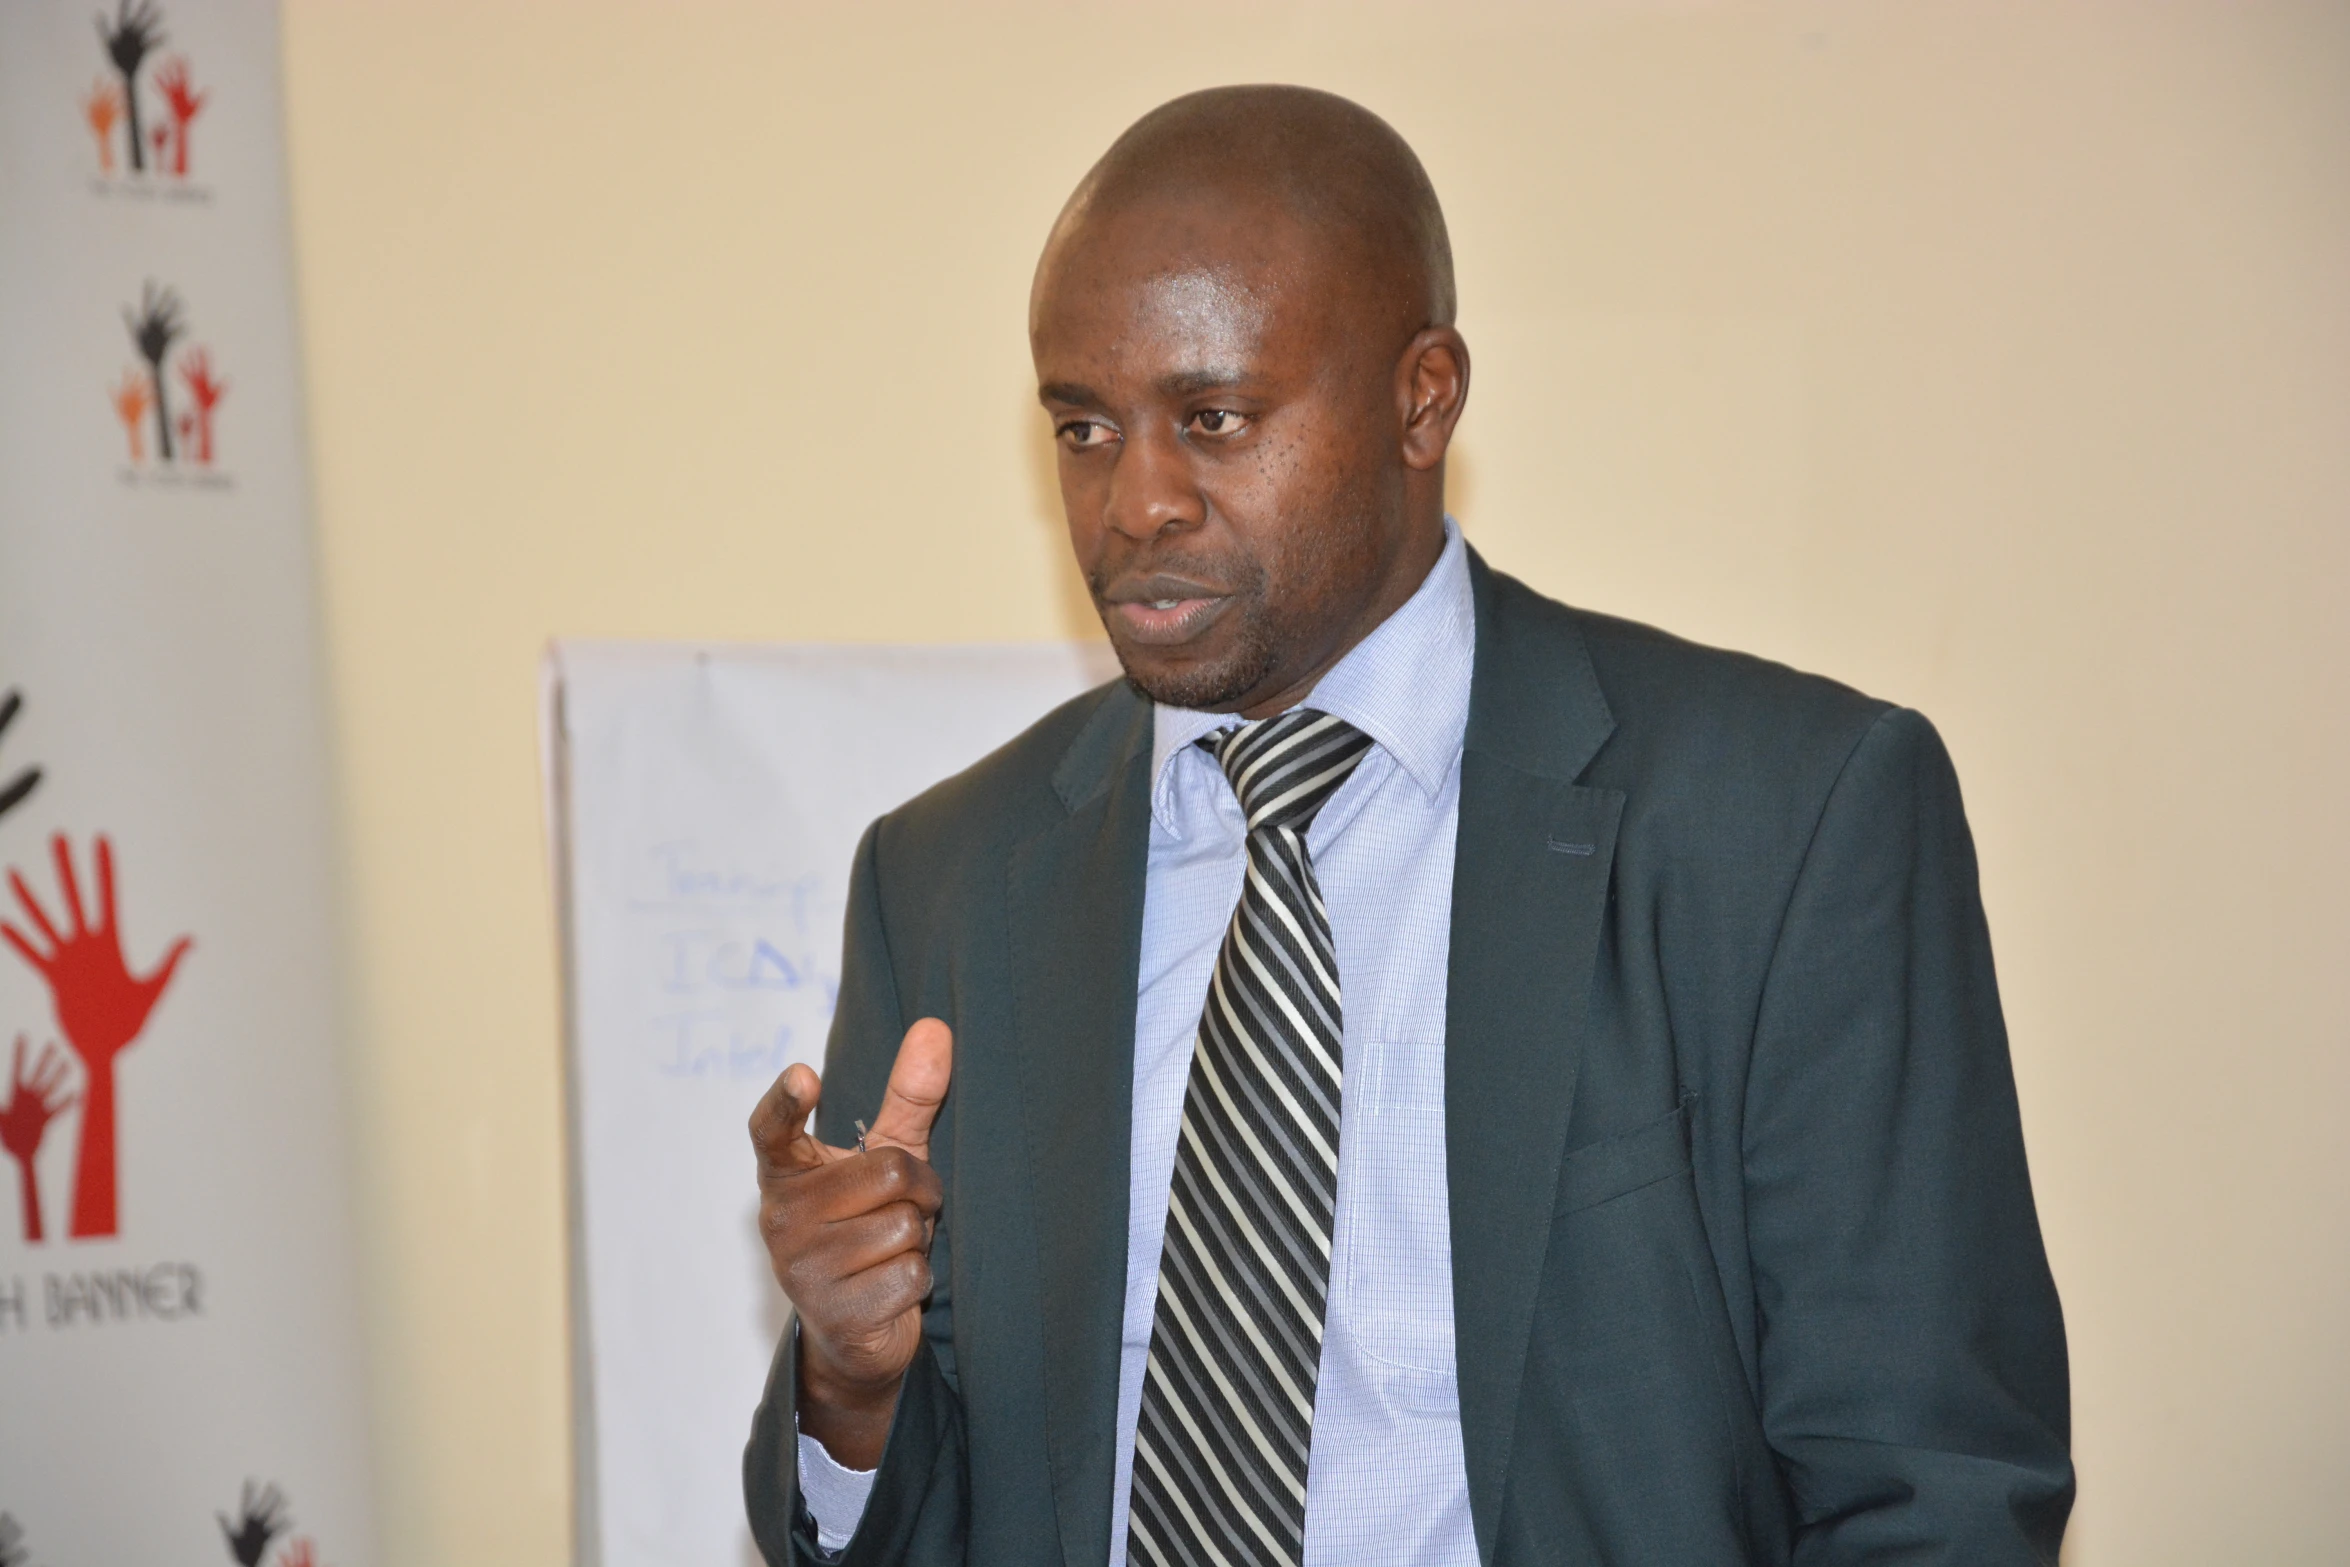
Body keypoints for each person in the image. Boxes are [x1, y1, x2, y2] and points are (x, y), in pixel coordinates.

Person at [743, 85, 2071, 1567]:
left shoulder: (1782, 818)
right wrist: (851, 1386)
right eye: (1082, 427)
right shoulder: (945, 877)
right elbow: (908, 1523)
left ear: (1420, 398)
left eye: (1212, 418)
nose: (1136, 502)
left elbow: (1933, 1484)